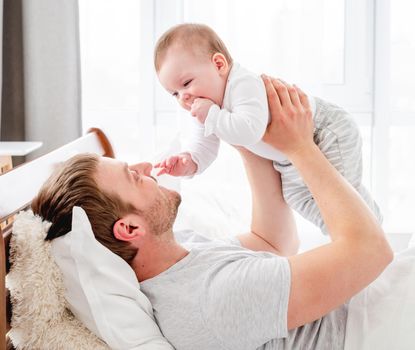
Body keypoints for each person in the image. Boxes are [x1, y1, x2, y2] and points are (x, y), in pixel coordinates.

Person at [32, 77, 393, 349]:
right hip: (381, 321)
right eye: (132, 175)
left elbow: (273, 241)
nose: (145, 166)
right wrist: (299, 147)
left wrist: (243, 135)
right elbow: (373, 251)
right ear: (128, 228)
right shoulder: (207, 302)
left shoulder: (177, 258)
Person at [153, 23, 382, 234]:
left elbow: (249, 131)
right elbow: (204, 145)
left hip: (325, 131)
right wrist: (189, 161)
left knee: (340, 196)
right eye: (174, 93)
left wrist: (212, 115)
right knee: (297, 197)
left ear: (219, 64)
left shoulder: (243, 83)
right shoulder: (205, 108)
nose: (184, 97)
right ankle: (346, 233)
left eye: (186, 84)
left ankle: (363, 227)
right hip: (288, 159)